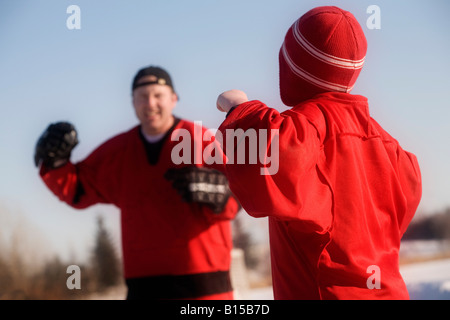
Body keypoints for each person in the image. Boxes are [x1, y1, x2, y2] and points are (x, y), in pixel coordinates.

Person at [216, 6, 422, 299]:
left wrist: (239, 108)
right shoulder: (393, 151)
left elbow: (267, 159)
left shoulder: (302, 132)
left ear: (291, 66)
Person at [34, 66, 240, 300]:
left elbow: (242, 194)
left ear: (173, 99)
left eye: (157, 95)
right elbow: (77, 189)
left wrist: (223, 195)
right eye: (142, 96)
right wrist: (54, 162)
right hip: (143, 289)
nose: (150, 103)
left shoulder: (203, 142)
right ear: (133, 102)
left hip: (205, 290)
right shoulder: (118, 152)